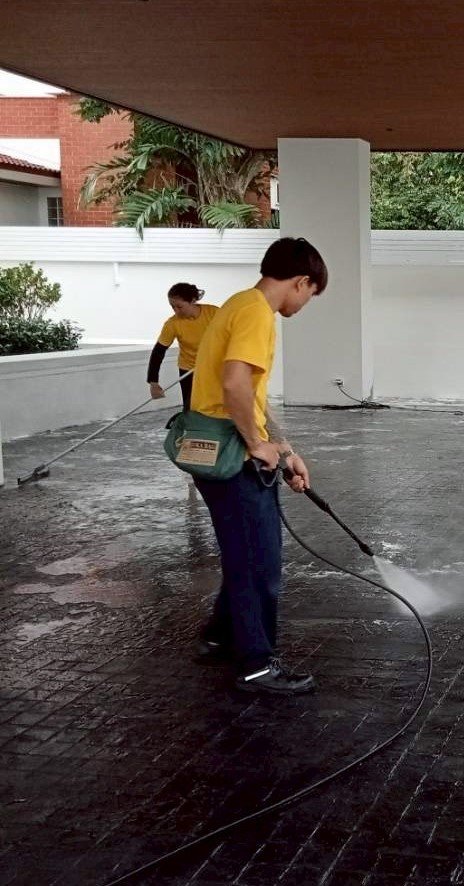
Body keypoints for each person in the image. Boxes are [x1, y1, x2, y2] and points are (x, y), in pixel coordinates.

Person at [191, 237, 328, 694]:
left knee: (242, 550)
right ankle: (256, 665)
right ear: (300, 281)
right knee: (259, 561)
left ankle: (219, 635)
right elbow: (234, 386)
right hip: (231, 451)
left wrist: (284, 450)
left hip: (211, 446)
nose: (307, 302)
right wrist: (256, 444)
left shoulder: (238, 304)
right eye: (311, 293)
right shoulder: (256, 313)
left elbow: (250, 393)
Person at [147, 283, 219, 411]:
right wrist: (154, 383)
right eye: (172, 306)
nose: (176, 311)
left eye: (179, 306)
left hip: (215, 367)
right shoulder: (172, 324)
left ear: (192, 301)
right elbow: (158, 352)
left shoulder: (214, 313)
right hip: (188, 370)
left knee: (217, 405)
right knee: (191, 407)